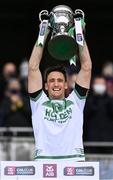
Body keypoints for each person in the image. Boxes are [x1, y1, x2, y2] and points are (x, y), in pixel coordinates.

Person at [28, 25, 92, 161]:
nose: (56, 84)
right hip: (45, 164)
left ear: (65, 84)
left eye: (59, 80)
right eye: (51, 81)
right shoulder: (38, 103)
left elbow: (86, 67)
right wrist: (43, 32)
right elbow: (33, 68)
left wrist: (79, 31)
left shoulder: (77, 101)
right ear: (45, 85)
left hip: (74, 163)